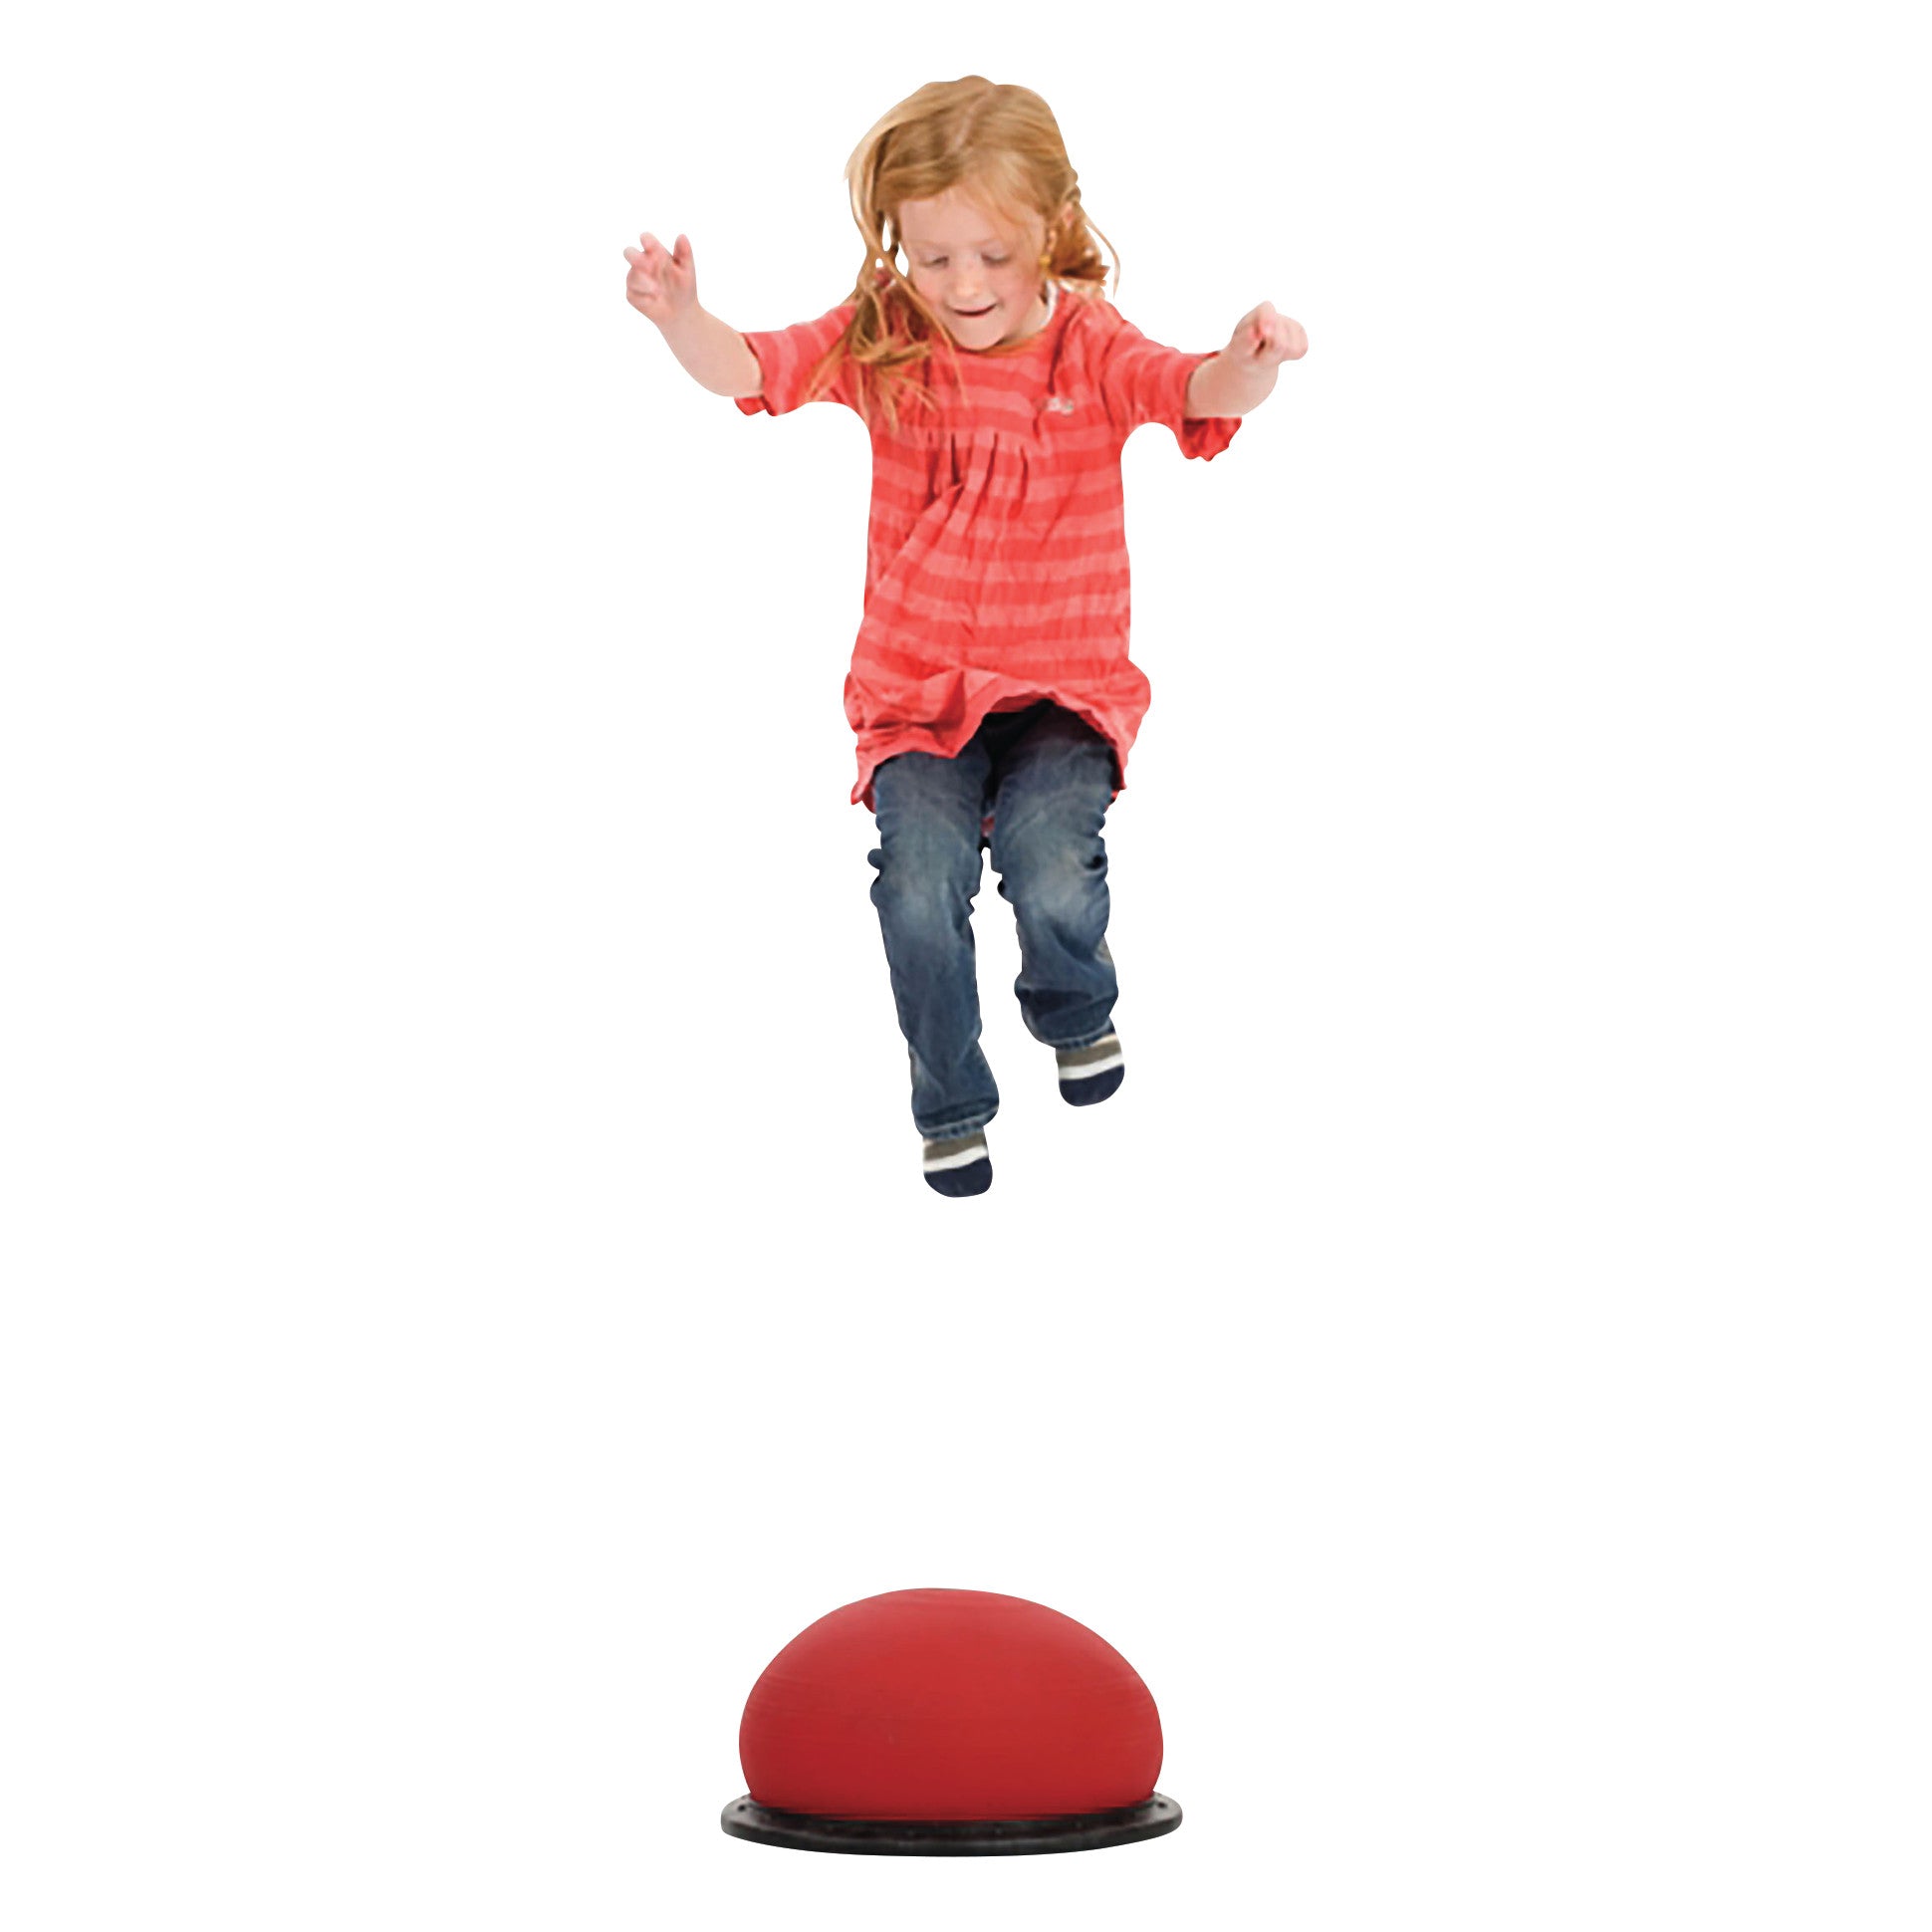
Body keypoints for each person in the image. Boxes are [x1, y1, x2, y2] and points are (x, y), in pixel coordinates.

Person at [624, 76, 1307, 1195]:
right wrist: (681, 319)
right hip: (915, 692)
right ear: (898, 245)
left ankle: (1072, 1001)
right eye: (931, 256)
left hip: (1058, 690)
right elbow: (750, 369)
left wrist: (1255, 359)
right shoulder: (888, 334)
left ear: (1050, 229)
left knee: (1048, 875)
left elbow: (1193, 386)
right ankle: (948, 1100)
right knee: (915, 889)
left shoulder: (1086, 343)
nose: (961, 285)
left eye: (991, 256)